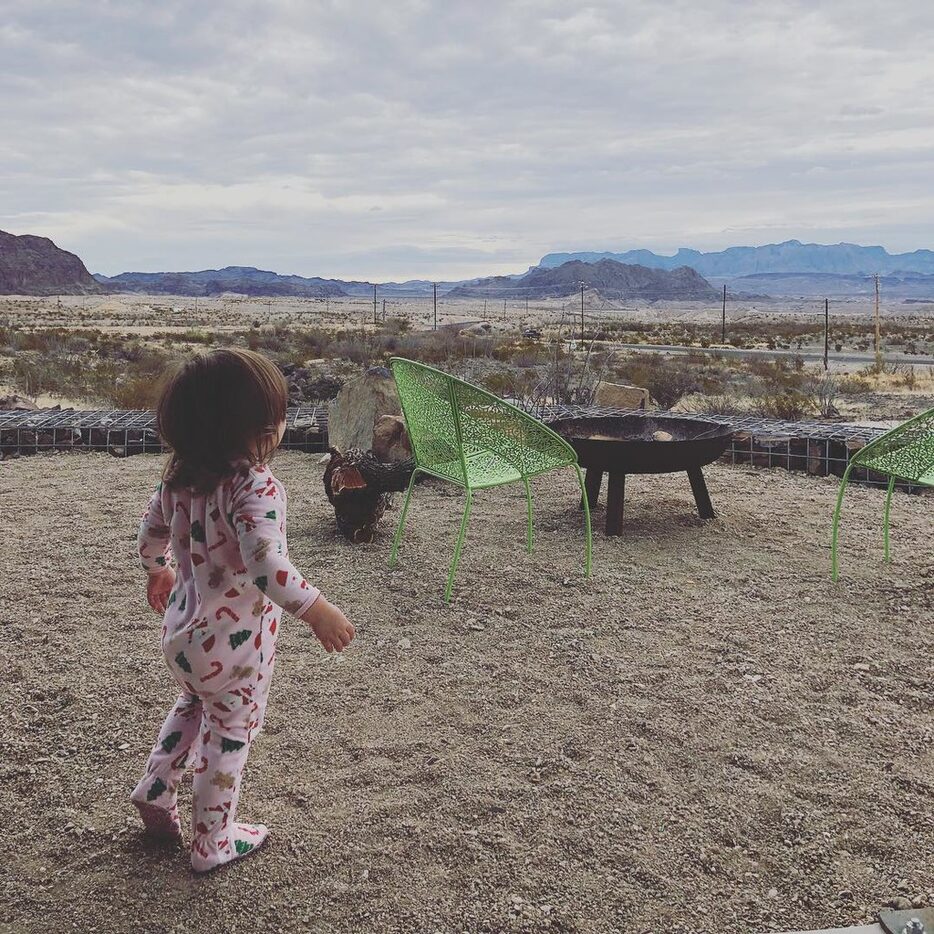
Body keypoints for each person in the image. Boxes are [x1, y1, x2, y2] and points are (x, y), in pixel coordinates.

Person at [130, 348, 355, 872]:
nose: (279, 426)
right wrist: (317, 609)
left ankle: (156, 788)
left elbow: (149, 536)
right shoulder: (255, 486)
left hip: (181, 634)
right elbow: (266, 566)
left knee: (192, 705)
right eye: (274, 418)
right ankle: (213, 842)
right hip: (235, 647)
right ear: (255, 429)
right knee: (229, 732)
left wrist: (157, 569)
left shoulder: (178, 478)